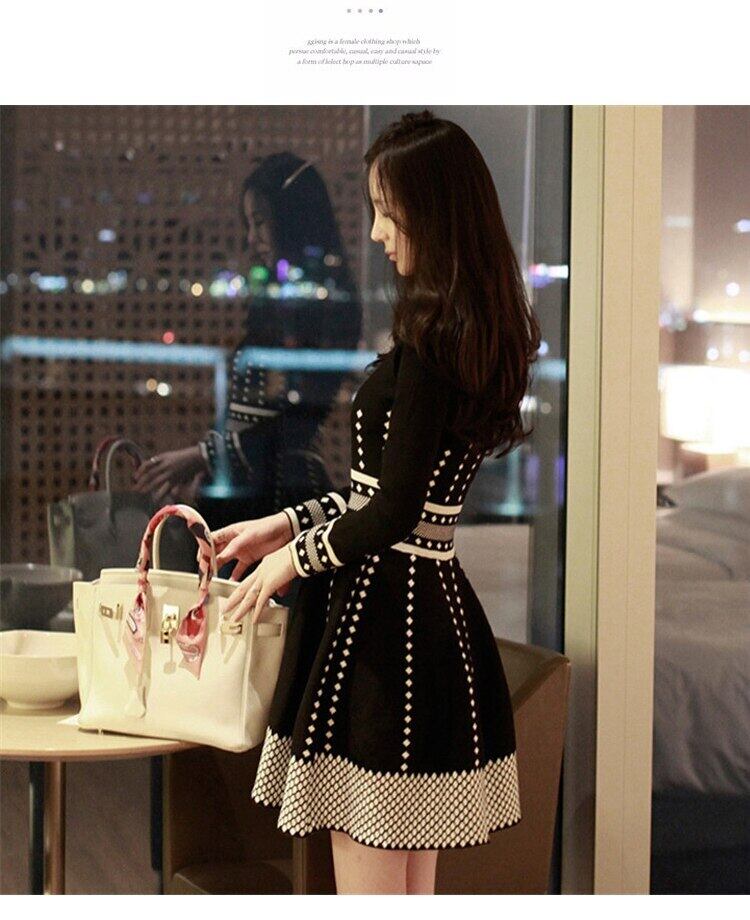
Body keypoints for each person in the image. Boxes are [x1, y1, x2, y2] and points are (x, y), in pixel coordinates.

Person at [211, 111, 542, 895]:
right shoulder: (461, 337)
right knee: (408, 890)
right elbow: (388, 496)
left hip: (387, 644)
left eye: (388, 212)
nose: (376, 232)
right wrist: (286, 524)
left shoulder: (428, 352)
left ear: (434, 213)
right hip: (425, 624)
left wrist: (295, 558)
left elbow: (392, 514)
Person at [131, 153, 362, 550]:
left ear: (292, 220)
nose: (251, 238)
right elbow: (251, 409)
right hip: (255, 493)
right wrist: (209, 465)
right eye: (249, 224)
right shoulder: (279, 300)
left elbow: (298, 419)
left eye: (261, 222)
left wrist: (203, 455)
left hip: (283, 498)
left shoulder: (325, 304)